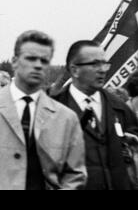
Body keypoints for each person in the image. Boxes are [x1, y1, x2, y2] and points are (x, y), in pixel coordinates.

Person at [0, 30, 87, 190]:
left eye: (44, 60)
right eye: (31, 58)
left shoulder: (65, 118)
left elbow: (75, 175)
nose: (38, 65)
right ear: (15, 61)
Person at [53, 40, 138, 190]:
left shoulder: (120, 108)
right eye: (95, 64)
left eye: (105, 64)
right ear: (74, 70)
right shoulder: (53, 110)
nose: (103, 70)